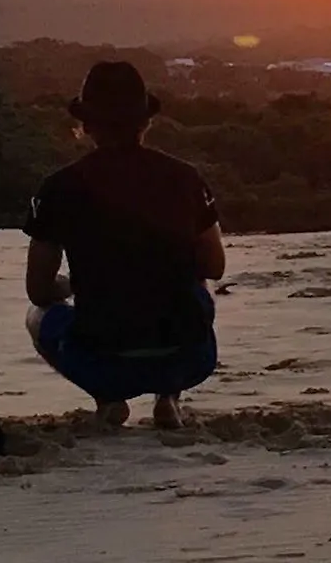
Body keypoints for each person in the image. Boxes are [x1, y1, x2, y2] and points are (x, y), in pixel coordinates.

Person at [24, 62, 226, 430]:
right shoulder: (185, 178)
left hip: (100, 358)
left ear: (86, 125)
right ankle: (169, 395)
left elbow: (38, 289)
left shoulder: (58, 188)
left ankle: (108, 397)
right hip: (188, 357)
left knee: (37, 315)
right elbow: (214, 264)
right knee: (199, 285)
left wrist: (73, 284)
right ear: (145, 122)